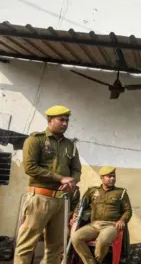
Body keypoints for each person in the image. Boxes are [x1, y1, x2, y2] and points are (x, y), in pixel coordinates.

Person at [14, 105, 82, 264]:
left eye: (67, 120)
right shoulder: (35, 139)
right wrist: (60, 178)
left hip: (61, 201)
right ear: (50, 120)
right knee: (26, 245)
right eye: (61, 120)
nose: (65, 123)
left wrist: (73, 180)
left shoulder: (70, 145)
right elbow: (30, 167)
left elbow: (77, 169)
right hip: (40, 198)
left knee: (56, 247)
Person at [71, 166, 132, 264]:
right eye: (109, 176)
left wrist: (122, 220)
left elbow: (128, 210)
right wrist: (76, 213)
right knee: (76, 237)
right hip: (94, 225)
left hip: (112, 225)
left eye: (114, 176)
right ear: (102, 178)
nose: (112, 178)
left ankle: (97, 261)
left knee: (102, 240)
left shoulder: (121, 192)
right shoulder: (92, 191)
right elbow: (82, 204)